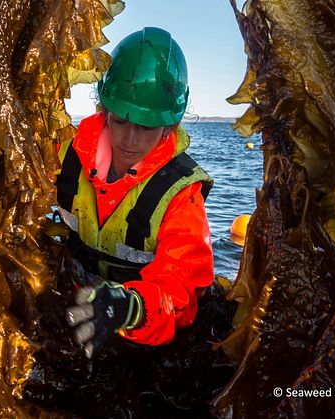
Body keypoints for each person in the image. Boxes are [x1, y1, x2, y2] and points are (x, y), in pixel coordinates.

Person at [56, 27, 214, 359]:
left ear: (169, 127)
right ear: (104, 110)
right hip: (69, 307)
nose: (129, 139)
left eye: (145, 127)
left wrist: (131, 309)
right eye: (120, 121)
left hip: (133, 335)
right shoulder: (64, 153)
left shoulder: (181, 196)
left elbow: (180, 295)